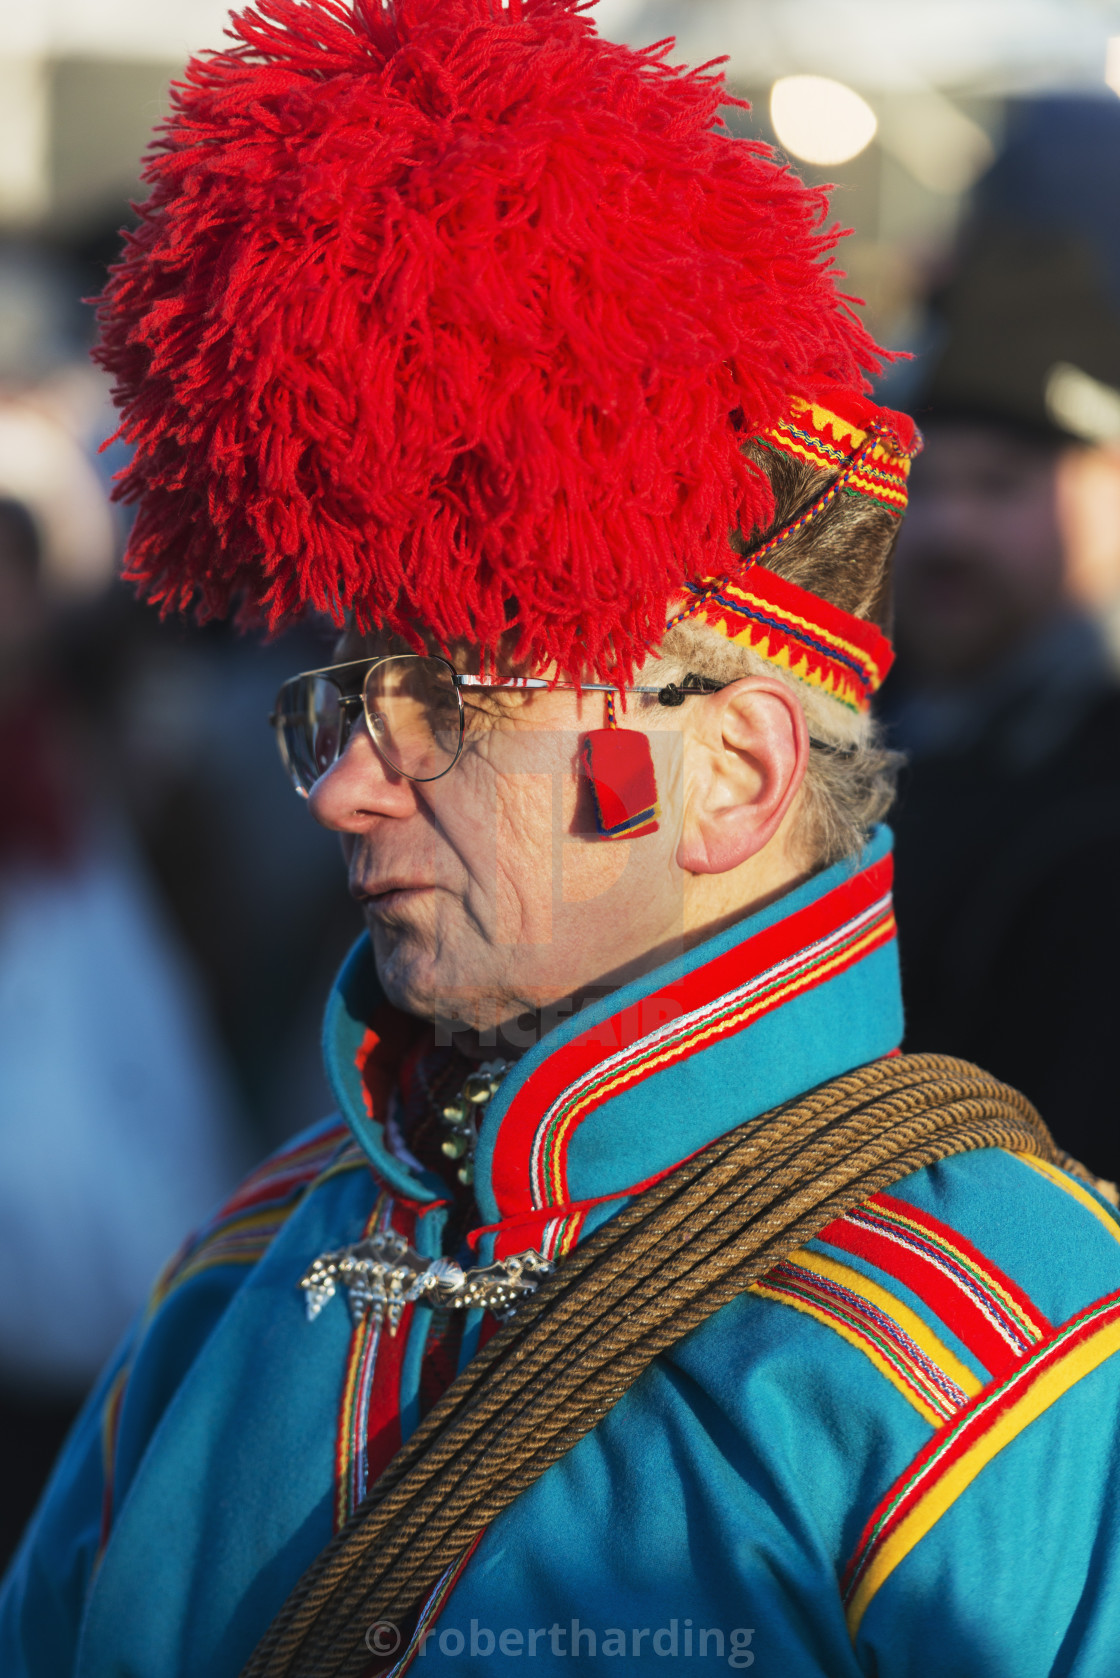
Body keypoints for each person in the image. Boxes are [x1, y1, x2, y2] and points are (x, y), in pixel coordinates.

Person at [4, 4, 1120, 1675]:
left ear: (731, 769)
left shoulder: (1018, 1343)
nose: (344, 789)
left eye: (449, 702)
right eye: (342, 705)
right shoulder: (242, 1273)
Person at [886, 198, 1120, 1182]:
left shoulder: (1094, 798)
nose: (947, 533)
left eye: (1000, 486)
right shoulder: (860, 738)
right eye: (924, 485)